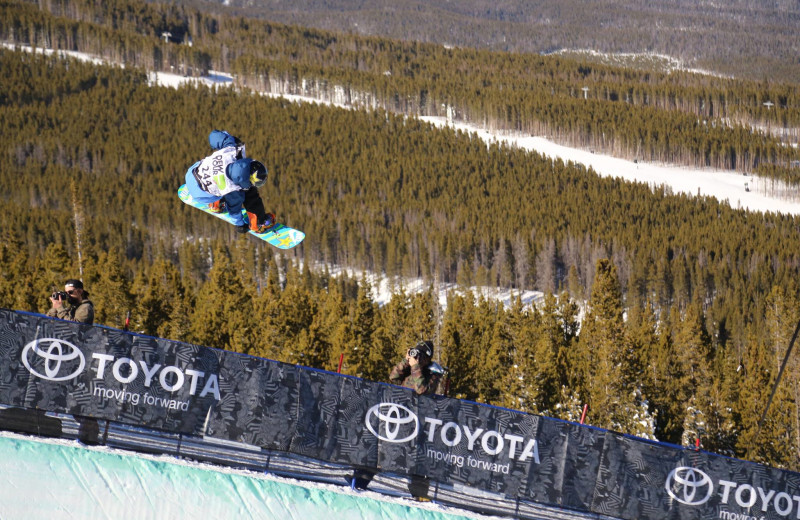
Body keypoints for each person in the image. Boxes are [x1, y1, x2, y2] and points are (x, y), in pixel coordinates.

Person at [185, 129, 275, 234]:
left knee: (219, 185)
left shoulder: (231, 149)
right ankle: (258, 223)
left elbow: (214, 137)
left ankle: (216, 204)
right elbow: (234, 211)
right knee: (250, 194)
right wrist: (240, 225)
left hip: (191, 174)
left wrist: (226, 136)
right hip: (200, 195)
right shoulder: (232, 190)